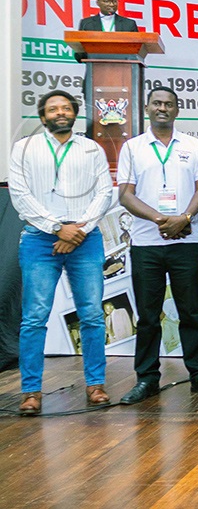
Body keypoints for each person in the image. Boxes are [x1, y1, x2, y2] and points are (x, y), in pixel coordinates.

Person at [8, 90, 114, 414]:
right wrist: (57, 228)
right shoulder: (23, 149)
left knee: (93, 315)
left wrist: (77, 230)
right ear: (43, 117)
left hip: (85, 237)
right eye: (53, 109)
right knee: (34, 318)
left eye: (66, 108)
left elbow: (104, 192)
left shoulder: (91, 149)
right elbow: (20, 195)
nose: (60, 112)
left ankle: (95, 385)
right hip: (40, 240)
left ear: (74, 114)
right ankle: (31, 392)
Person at [117, 86, 198, 404]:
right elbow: (125, 194)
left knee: (190, 310)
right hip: (147, 243)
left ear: (177, 110)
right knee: (148, 315)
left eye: (169, 104)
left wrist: (185, 217)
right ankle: (147, 378)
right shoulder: (133, 148)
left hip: (186, 241)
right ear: (147, 108)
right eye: (157, 103)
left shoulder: (193, 145)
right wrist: (162, 220)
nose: (163, 108)